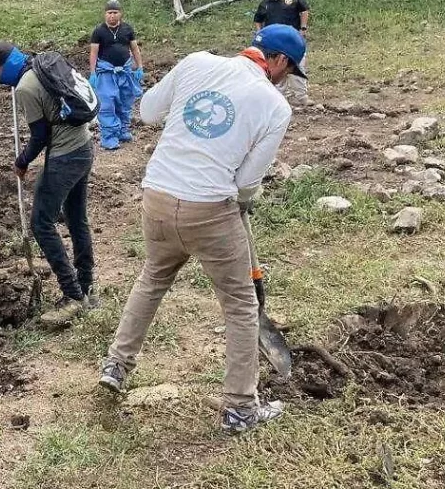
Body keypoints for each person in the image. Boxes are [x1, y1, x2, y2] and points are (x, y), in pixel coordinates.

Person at [97, 25, 304, 434]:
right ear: (279, 60)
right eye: (290, 71)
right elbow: (247, 180)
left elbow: (148, 112)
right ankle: (240, 409)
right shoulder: (274, 106)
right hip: (210, 210)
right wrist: (241, 196)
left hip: (157, 195)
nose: (286, 80)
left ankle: (116, 366)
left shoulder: (197, 62)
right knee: (241, 305)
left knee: (152, 278)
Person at [0, 41, 95, 325]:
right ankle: (87, 287)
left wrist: (21, 161)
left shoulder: (25, 87)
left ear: (5, 66)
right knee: (76, 219)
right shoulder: (42, 65)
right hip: (84, 146)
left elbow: (40, 136)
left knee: (41, 224)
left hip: (65, 157)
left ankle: (73, 296)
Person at [89, 0, 145, 150]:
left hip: (125, 71)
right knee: (107, 103)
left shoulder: (127, 29)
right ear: (105, 14)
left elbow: (135, 49)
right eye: (109, 12)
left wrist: (139, 67)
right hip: (106, 73)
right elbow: (93, 53)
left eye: (115, 12)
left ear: (120, 13)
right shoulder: (99, 31)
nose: (112, 15)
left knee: (125, 102)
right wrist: (93, 73)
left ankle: (122, 130)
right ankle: (109, 137)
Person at [254, 0, 312, 106]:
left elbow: (304, 11)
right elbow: (258, 20)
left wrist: (303, 28)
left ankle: (301, 97)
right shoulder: (264, 4)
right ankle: (280, 98)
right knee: (276, 69)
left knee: (297, 67)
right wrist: (260, 33)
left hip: (293, 40)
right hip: (274, 43)